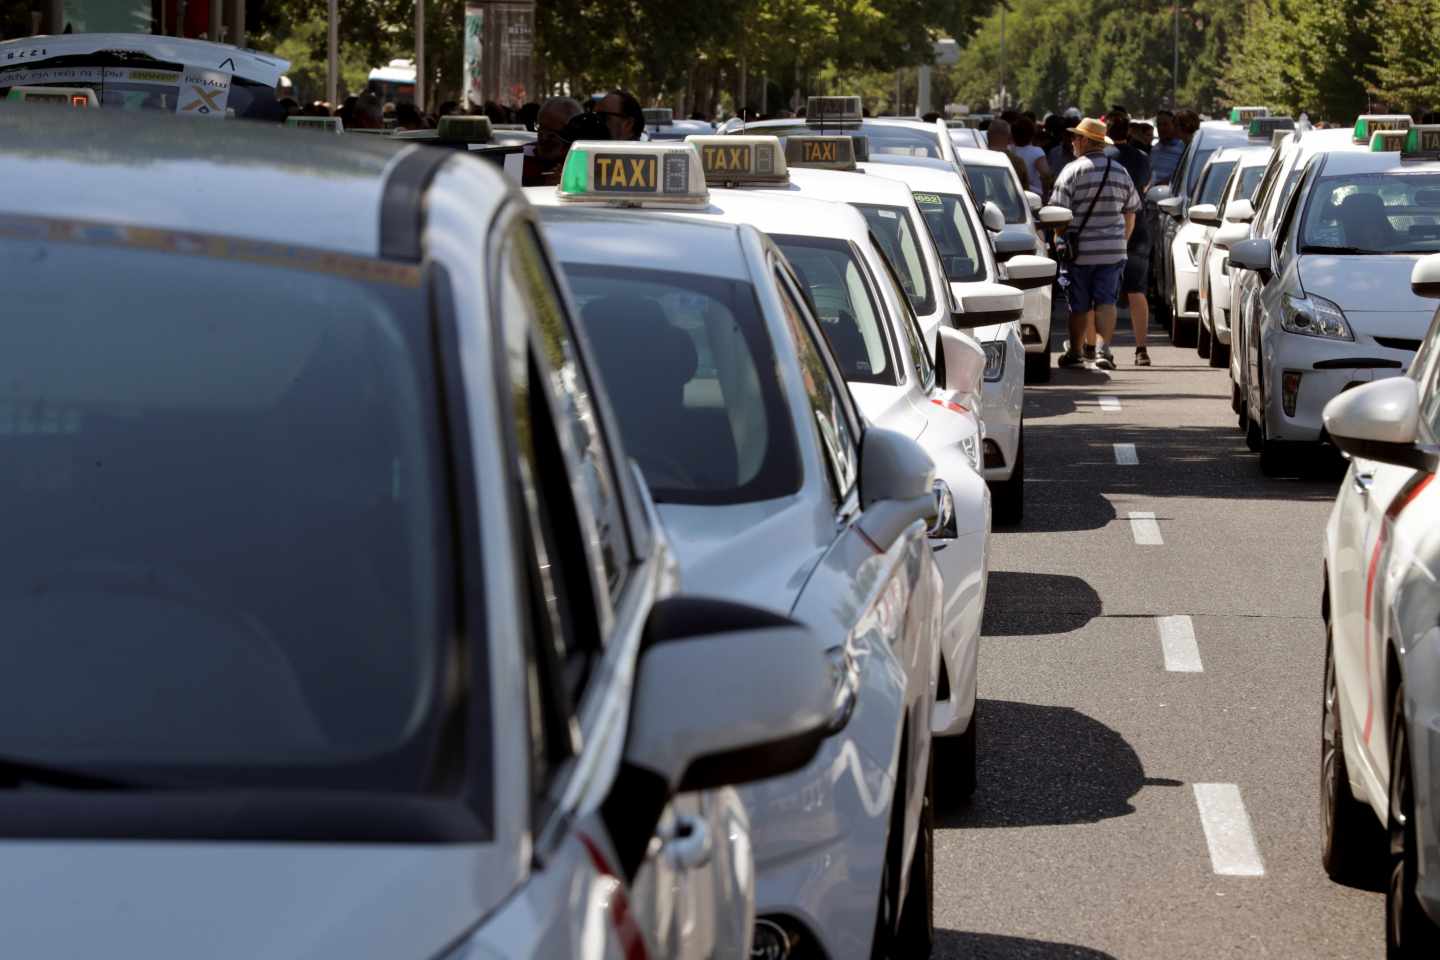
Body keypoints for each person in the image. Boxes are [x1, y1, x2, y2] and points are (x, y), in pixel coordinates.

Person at [1050, 117, 1140, 371]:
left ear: (1086, 141)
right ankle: (1103, 350)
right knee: (1106, 302)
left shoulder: (1071, 171)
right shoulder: (1120, 172)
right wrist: (1121, 241)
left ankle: (1076, 352)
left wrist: (1060, 239)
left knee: (1078, 305)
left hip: (1078, 252)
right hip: (1112, 252)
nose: (1072, 142)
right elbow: (1131, 211)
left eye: (1076, 137)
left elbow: (1058, 213)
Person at [1104, 112, 1154, 366]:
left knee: (1106, 291)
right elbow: (1145, 187)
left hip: (1110, 227)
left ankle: (1104, 348)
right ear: (1129, 133)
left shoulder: (1104, 158)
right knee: (1137, 290)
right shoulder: (1142, 158)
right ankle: (1141, 349)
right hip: (1139, 225)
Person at [522, 96, 583, 187]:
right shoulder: (521, 157)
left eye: (552, 134)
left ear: (572, 134)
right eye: (540, 129)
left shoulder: (586, 161)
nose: (544, 137)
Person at [984, 118, 1030, 191]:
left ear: (987, 135)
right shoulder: (1017, 162)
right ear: (1010, 138)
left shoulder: (978, 160)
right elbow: (1025, 192)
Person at [1012, 115, 1052, 197]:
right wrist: (1045, 196)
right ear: (1032, 134)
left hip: (1013, 195)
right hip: (1034, 196)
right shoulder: (1037, 152)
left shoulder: (1009, 151)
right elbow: (1046, 175)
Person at [1149, 110, 1184, 188]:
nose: (1161, 128)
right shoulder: (1155, 149)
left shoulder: (1183, 149)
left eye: (1165, 124)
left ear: (1174, 126)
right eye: (1159, 125)